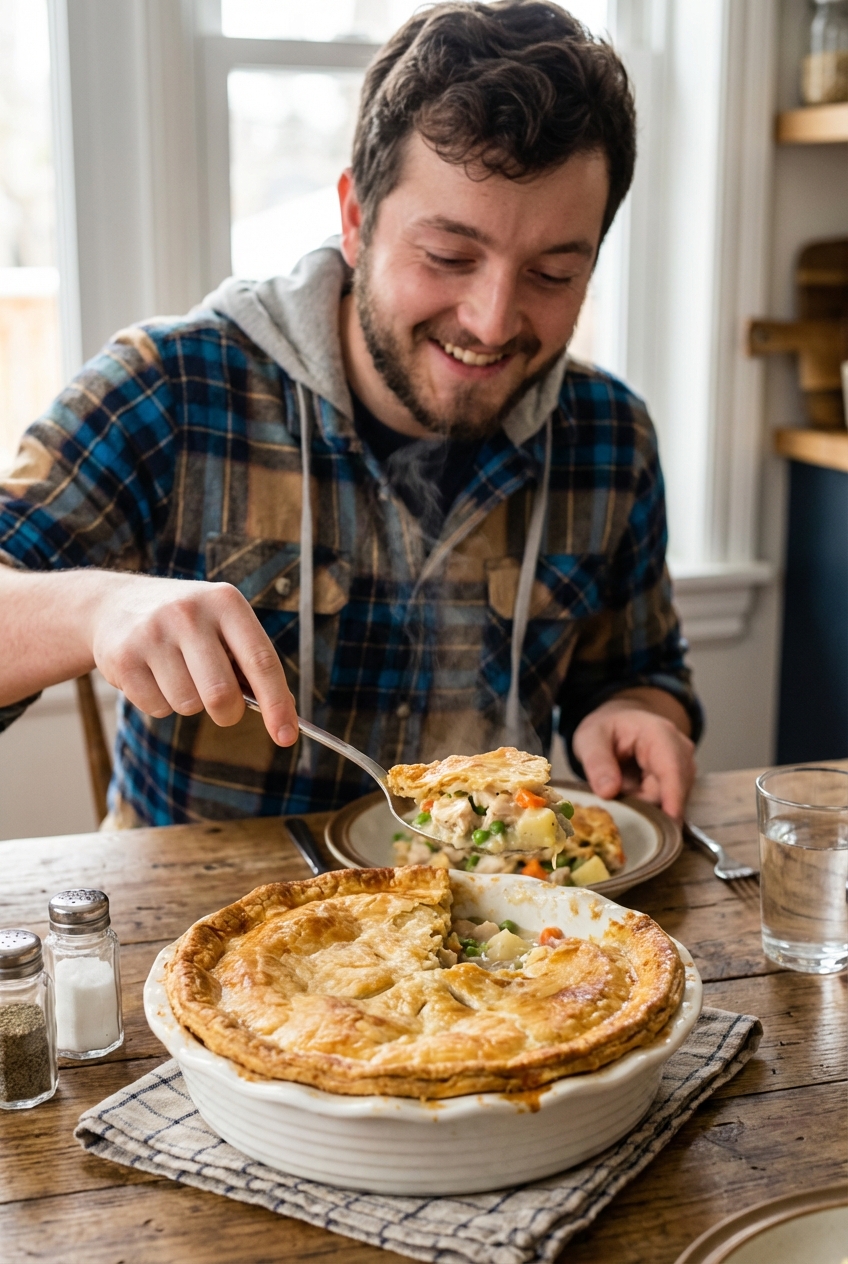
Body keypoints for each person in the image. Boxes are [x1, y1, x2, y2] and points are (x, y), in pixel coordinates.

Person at [0, 0, 700, 828]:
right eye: (449, 256)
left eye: (553, 274)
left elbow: (641, 673)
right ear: (357, 222)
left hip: (491, 909)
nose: (492, 321)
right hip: (211, 908)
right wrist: (96, 609)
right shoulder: (172, 388)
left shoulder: (611, 436)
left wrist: (637, 714)